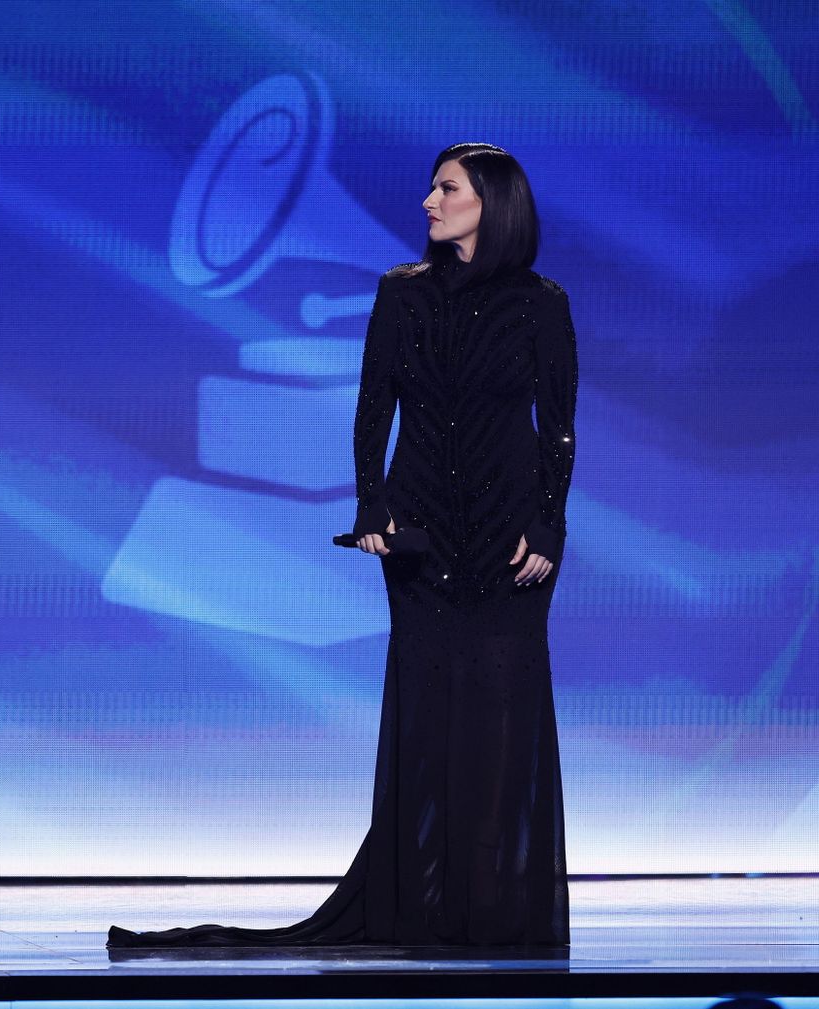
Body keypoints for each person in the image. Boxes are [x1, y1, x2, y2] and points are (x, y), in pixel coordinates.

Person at [109, 142, 578, 948]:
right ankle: (423, 903)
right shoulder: (403, 295)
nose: (429, 201)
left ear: (491, 203)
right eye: (432, 186)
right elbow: (373, 408)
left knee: (503, 722)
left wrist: (548, 524)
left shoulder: (542, 303)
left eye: (447, 188)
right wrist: (373, 505)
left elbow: (558, 428)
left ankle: (498, 908)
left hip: (510, 541)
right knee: (428, 716)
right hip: (422, 536)